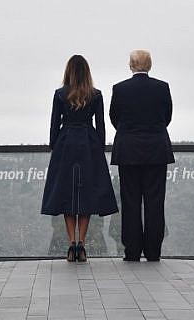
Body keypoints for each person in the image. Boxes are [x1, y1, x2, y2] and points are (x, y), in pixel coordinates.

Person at [42, 54, 119, 262]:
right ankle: (82, 245)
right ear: (87, 72)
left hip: (66, 143)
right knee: (85, 196)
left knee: (68, 195)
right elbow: (101, 125)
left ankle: (71, 245)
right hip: (89, 144)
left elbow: (53, 125)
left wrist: (55, 145)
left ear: (68, 71)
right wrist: (98, 147)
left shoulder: (60, 94)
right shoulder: (96, 95)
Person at [109, 50, 174, 262]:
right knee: (155, 202)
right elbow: (167, 117)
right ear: (150, 65)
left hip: (128, 150)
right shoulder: (162, 88)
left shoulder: (120, 89)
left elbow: (114, 117)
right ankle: (153, 251)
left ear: (130, 65)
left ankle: (132, 250)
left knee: (130, 202)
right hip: (156, 150)